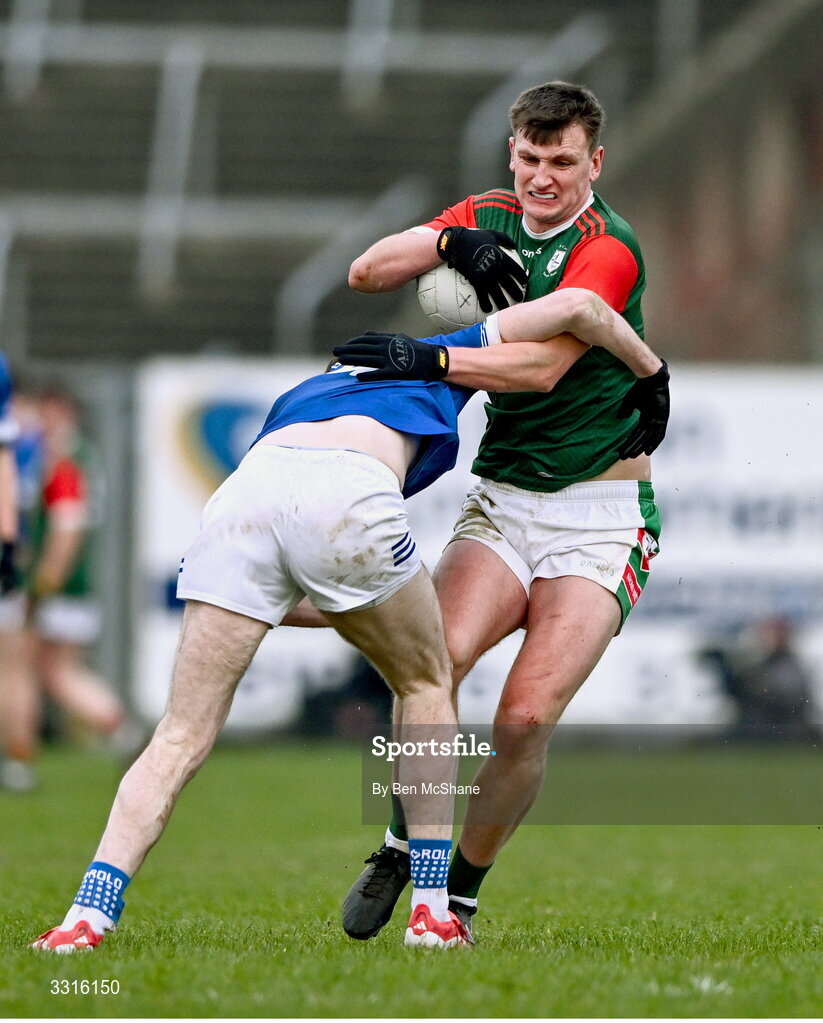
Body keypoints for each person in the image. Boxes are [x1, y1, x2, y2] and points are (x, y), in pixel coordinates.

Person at [30, 285, 665, 954]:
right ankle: (430, 909)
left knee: (179, 734)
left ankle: (85, 916)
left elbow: (300, 568)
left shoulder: (314, 385)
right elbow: (583, 310)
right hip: (345, 496)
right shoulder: (445, 350)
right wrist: (650, 372)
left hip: (242, 500)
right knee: (427, 681)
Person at [341, 80, 666, 944]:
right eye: (529, 158)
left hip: (601, 516)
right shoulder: (489, 211)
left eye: (562, 162)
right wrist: (449, 237)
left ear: (593, 161)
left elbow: (539, 369)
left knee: (522, 717)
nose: (542, 179)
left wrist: (427, 354)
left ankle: (460, 892)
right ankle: (402, 845)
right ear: (510, 152)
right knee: (431, 665)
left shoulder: (609, 246)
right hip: (505, 498)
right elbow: (367, 272)